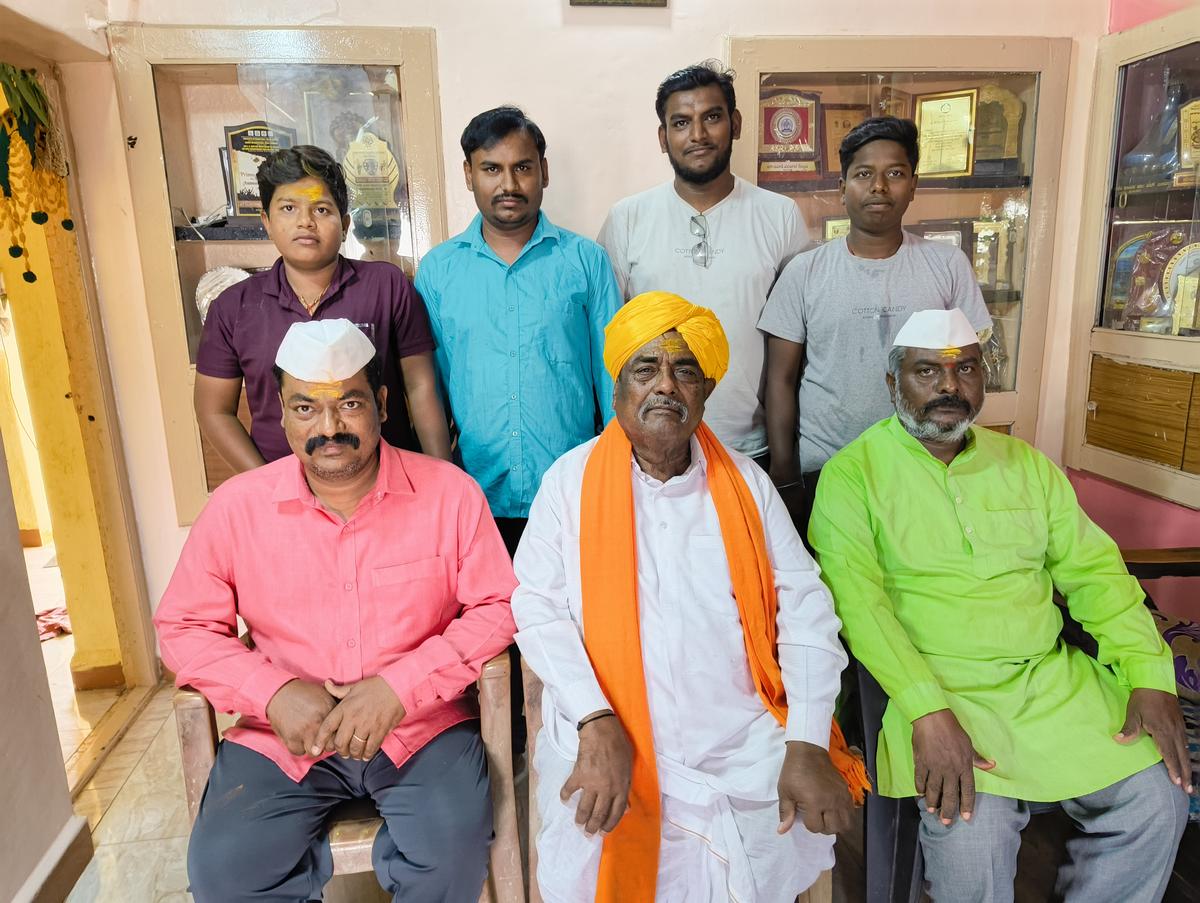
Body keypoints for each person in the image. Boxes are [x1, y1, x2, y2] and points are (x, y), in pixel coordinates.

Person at [809, 308, 1189, 903]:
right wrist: (926, 713)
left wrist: (1149, 675)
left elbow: (1095, 573)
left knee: (1158, 794)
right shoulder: (851, 477)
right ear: (894, 385)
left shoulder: (1028, 466)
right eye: (927, 371)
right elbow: (860, 608)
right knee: (971, 837)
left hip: (1049, 681)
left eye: (965, 370)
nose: (948, 387)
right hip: (938, 690)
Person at [512, 292, 868, 902]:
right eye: (645, 369)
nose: (665, 387)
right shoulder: (568, 484)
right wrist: (596, 723)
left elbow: (807, 612)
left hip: (740, 745)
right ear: (618, 388)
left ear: (705, 390)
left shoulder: (748, 486)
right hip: (608, 737)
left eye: (684, 371)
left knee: (771, 844)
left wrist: (808, 741)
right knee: (593, 846)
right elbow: (536, 608)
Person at [157, 319, 516, 901]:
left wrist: (400, 686)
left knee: (451, 851)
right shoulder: (237, 509)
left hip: (420, 729)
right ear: (279, 412)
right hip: (285, 739)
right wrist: (271, 693)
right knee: (226, 871)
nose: (329, 428)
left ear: (380, 403)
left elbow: (498, 605)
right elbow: (183, 626)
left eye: (348, 403)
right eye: (305, 408)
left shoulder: (449, 494)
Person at [759, 116, 992, 532]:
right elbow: (779, 379)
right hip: (825, 468)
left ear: (914, 186)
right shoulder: (805, 272)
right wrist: (785, 475)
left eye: (895, 173)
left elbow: (967, 371)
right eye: (863, 174)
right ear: (842, 188)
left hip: (924, 466)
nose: (879, 186)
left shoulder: (946, 266)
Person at [415, 107, 621, 555]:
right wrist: (440, 484)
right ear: (468, 174)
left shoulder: (586, 262)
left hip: (574, 493)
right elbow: (431, 385)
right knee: (490, 621)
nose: (508, 184)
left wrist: (617, 475)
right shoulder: (437, 272)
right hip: (476, 497)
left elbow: (614, 378)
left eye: (522, 168)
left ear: (543, 172)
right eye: (491, 168)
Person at [597, 61, 809, 462]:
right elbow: (612, 342)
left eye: (711, 117)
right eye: (680, 123)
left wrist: (784, 460)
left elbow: (795, 346)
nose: (697, 134)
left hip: (752, 449)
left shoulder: (779, 216)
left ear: (736, 123)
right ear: (663, 137)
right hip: (652, 452)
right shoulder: (628, 219)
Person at [195, 145, 450, 473]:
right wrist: (265, 485)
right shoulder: (234, 308)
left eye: (322, 210)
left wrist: (443, 477)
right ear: (266, 221)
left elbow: (421, 386)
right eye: (288, 207)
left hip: (386, 484)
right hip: (284, 491)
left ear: (344, 224)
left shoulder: (386, 286)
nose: (305, 222)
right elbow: (213, 410)